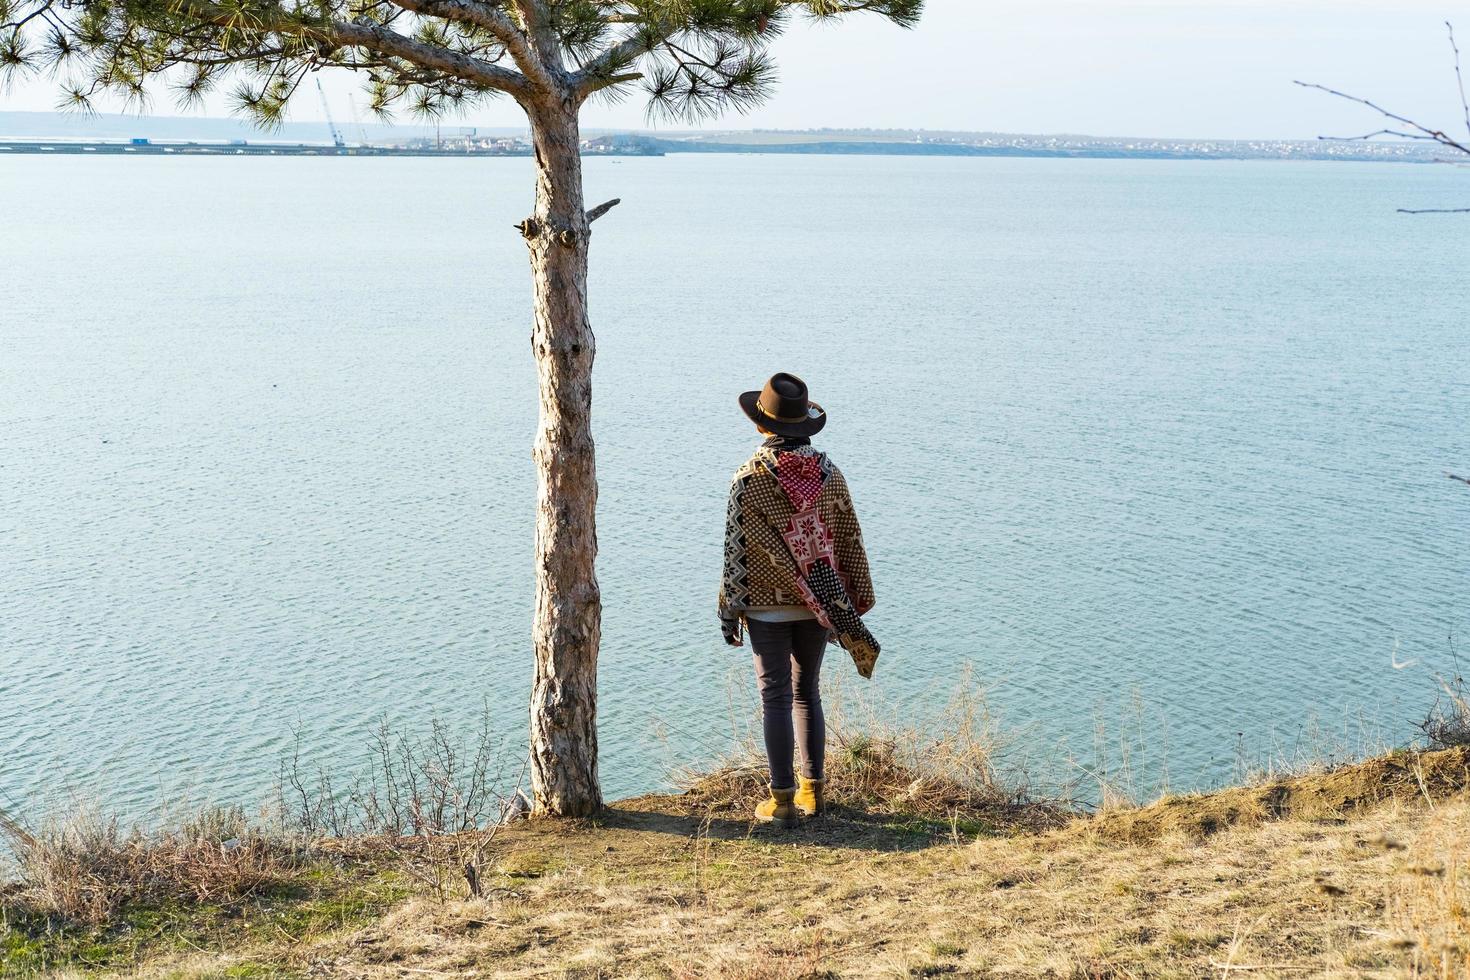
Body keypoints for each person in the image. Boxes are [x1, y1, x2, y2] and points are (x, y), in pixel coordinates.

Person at [718, 372, 880, 829]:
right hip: (820, 602)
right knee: (807, 693)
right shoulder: (829, 475)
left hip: (767, 608)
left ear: (760, 425)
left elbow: (736, 551)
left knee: (774, 697)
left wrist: (729, 607)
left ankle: (783, 800)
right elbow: (849, 539)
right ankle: (815, 793)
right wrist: (851, 597)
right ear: (802, 425)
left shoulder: (748, 479)